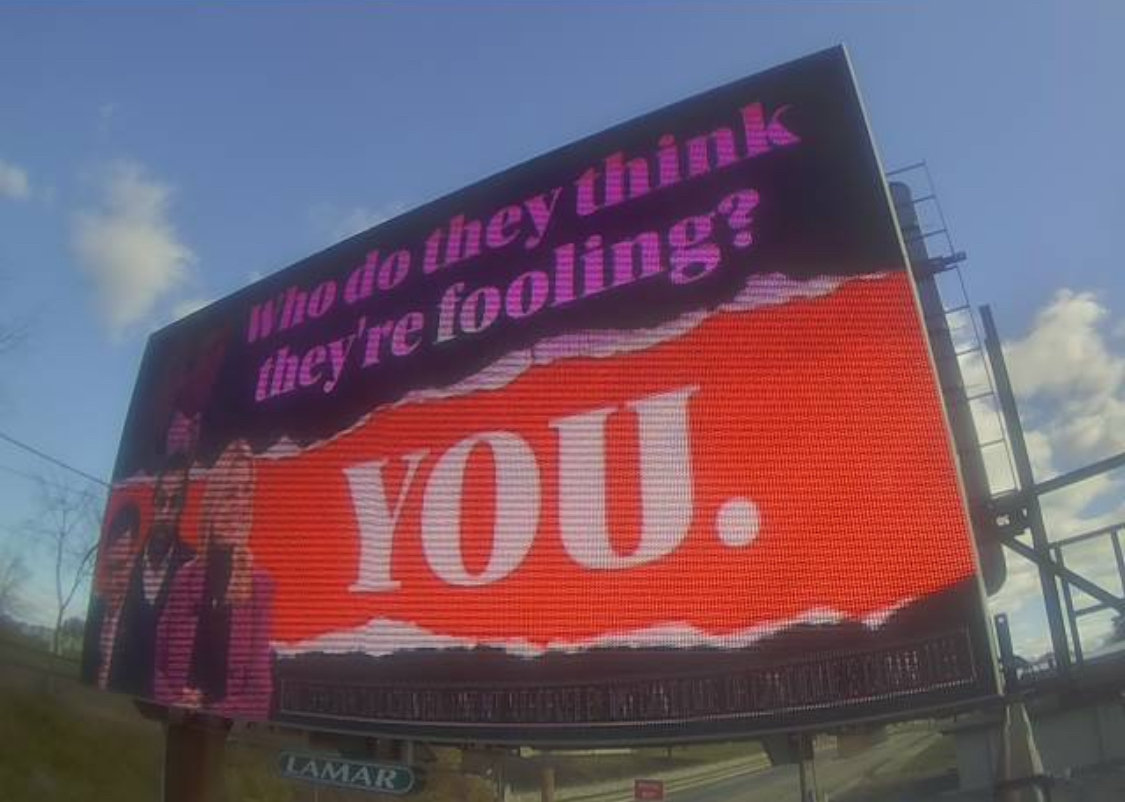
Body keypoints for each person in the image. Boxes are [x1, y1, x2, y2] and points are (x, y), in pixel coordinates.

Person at [155, 440, 274, 719]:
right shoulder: (184, 578)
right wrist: (175, 703)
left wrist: (209, 713)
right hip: (175, 718)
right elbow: (154, 663)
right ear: (213, 501)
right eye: (231, 493)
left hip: (219, 728)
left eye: (247, 492)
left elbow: (260, 694)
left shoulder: (260, 585)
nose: (241, 503)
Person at [108, 452, 195, 696]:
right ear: (153, 500)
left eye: (174, 503)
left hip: (166, 696)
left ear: (183, 506)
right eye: (161, 500)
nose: (165, 512)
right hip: (119, 691)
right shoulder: (126, 564)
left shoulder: (194, 567)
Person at [80, 501, 140, 688]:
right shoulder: (94, 615)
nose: (113, 582)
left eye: (120, 567)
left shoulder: (141, 624)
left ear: (134, 561)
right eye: (109, 568)